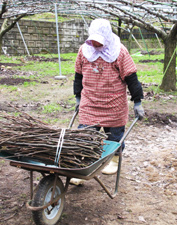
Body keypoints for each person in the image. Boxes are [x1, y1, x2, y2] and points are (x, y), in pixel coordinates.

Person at [70, 18, 144, 185]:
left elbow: (132, 78)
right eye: (94, 40)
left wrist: (137, 101)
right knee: (85, 136)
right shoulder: (84, 51)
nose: (96, 44)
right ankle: (83, 165)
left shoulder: (120, 51)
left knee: (114, 137)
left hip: (114, 105)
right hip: (90, 103)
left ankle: (114, 160)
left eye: (99, 41)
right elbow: (78, 76)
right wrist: (78, 97)